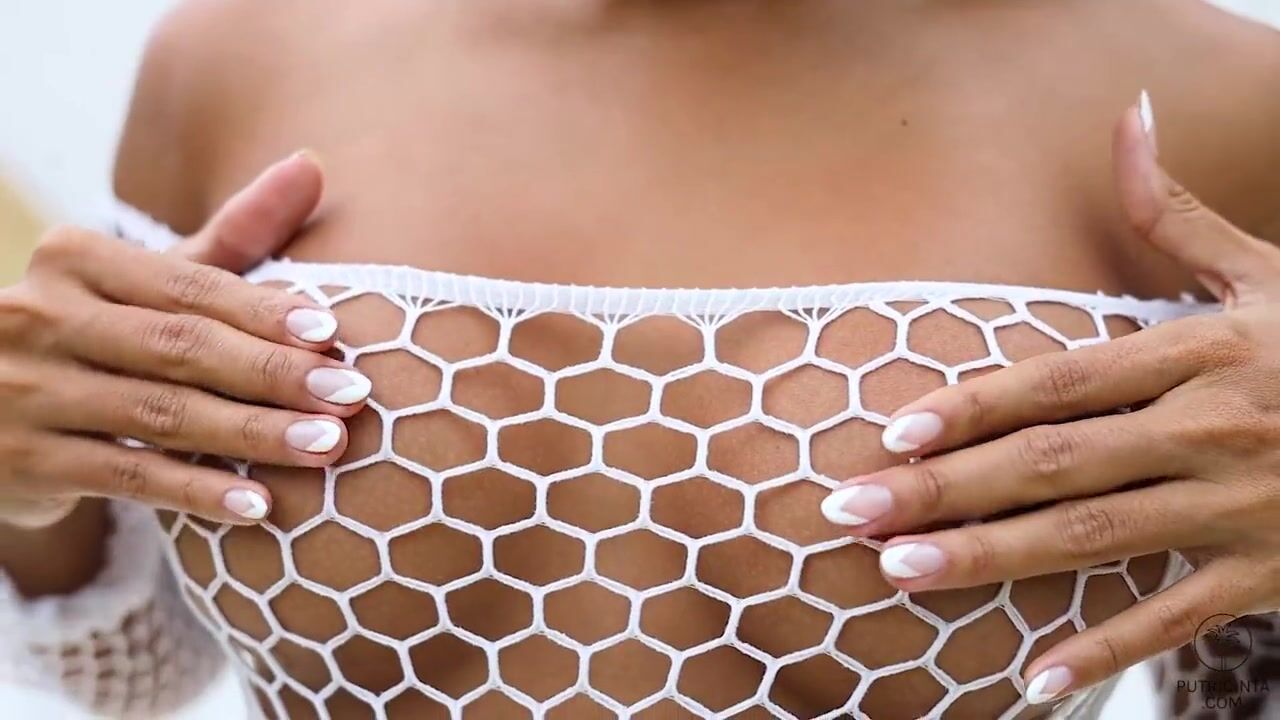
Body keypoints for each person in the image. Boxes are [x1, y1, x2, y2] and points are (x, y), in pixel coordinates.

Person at [2, 1, 1278, 718]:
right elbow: (144, 674)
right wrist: (29, 488)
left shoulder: (1209, 103)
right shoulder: (233, 60)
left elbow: (1235, 688)